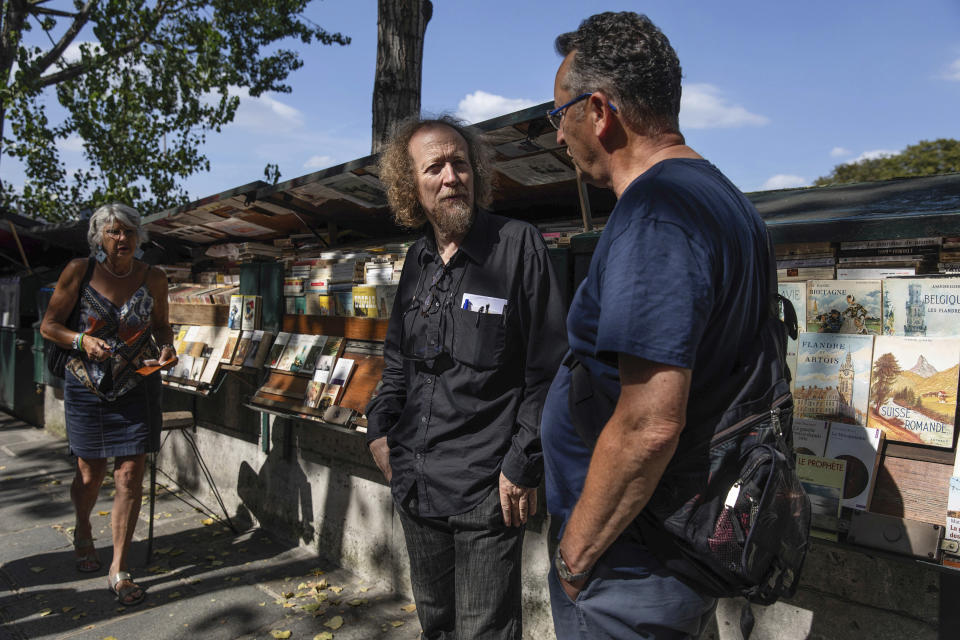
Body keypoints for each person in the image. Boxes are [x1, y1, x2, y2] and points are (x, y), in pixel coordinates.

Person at [540, 12, 777, 639]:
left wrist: (574, 556)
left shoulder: (656, 215)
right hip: (671, 542)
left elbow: (650, 423)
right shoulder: (727, 201)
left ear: (599, 111)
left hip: (633, 557)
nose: (558, 137)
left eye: (557, 113)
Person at [366, 115, 567, 639]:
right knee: (436, 626)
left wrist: (523, 464)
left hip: (485, 489)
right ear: (413, 186)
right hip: (415, 482)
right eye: (435, 167)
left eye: (460, 162)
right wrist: (379, 429)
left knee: (485, 633)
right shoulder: (417, 259)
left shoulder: (518, 246)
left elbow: (549, 369)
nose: (451, 176)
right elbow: (396, 360)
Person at [40, 203, 174, 607]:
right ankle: (83, 527)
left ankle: (119, 568)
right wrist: (81, 340)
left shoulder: (155, 278)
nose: (123, 239)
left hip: (137, 386)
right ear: (99, 237)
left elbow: (162, 325)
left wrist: (167, 346)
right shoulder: (78, 271)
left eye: (130, 232)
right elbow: (49, 325)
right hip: (87, 388)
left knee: (130, 477)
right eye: (114, 232)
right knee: (89, 472)